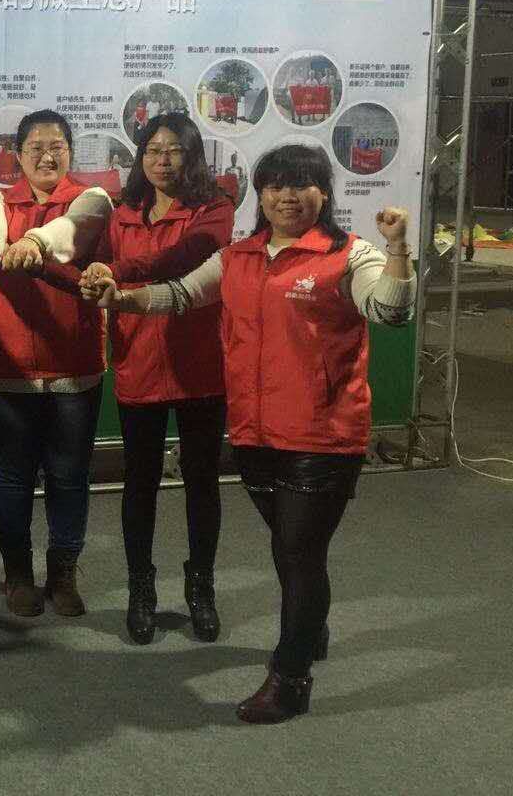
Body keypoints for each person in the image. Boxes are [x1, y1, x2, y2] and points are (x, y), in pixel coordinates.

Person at [88, 142, 415, 723]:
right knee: (294, 548)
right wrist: (125, 299)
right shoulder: (238, 256)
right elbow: (181, 295)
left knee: (296, 550)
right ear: (259, 195)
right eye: (275, 185)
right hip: (254, 433)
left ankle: (290, 678)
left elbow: (389, 310)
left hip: (322, 436)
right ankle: (310, 624)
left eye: (301, 185)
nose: (288, 196)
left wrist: (397, 250)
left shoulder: (349, 256)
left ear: (323, 193)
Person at [79, 114, 235, 644]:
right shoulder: (122, 212)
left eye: (174, 150)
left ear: (192, 156)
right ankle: (140, 588)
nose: (162, 160)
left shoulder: (214, 209)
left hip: (200, 366)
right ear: (140, 157)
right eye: (152, 150)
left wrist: (121, 272)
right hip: (139, 361)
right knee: (139, 482)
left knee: (202, 482)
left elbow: (187, 257)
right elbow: (98, 265)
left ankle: (201, 586)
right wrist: (97, 272)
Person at [0, 109, 114, 618]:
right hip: (6, 365)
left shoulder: (92, 203)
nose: (47, 157)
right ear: (18, 155)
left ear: (70, 151)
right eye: (35, 148)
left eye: (57, 147)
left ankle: (63, 573)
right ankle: (18, 574)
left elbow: (84, 248)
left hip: (74, 363)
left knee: (69, 476)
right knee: (11, 476)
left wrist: (35, 247)